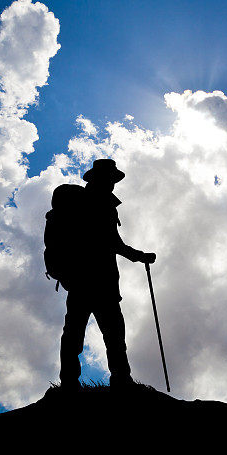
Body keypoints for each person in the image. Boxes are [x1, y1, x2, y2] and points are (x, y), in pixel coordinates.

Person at [58, 158, 156, 390]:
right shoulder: (100, 205)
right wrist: (140, 256)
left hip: (79, 281)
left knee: (74, 335)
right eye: (110, 179)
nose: (113, 184)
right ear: (101, 179)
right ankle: (121, 380)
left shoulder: (82, 203)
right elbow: (114, 243)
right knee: (112, 335)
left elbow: (112, 243)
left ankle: (69, 383)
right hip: (101, 282)